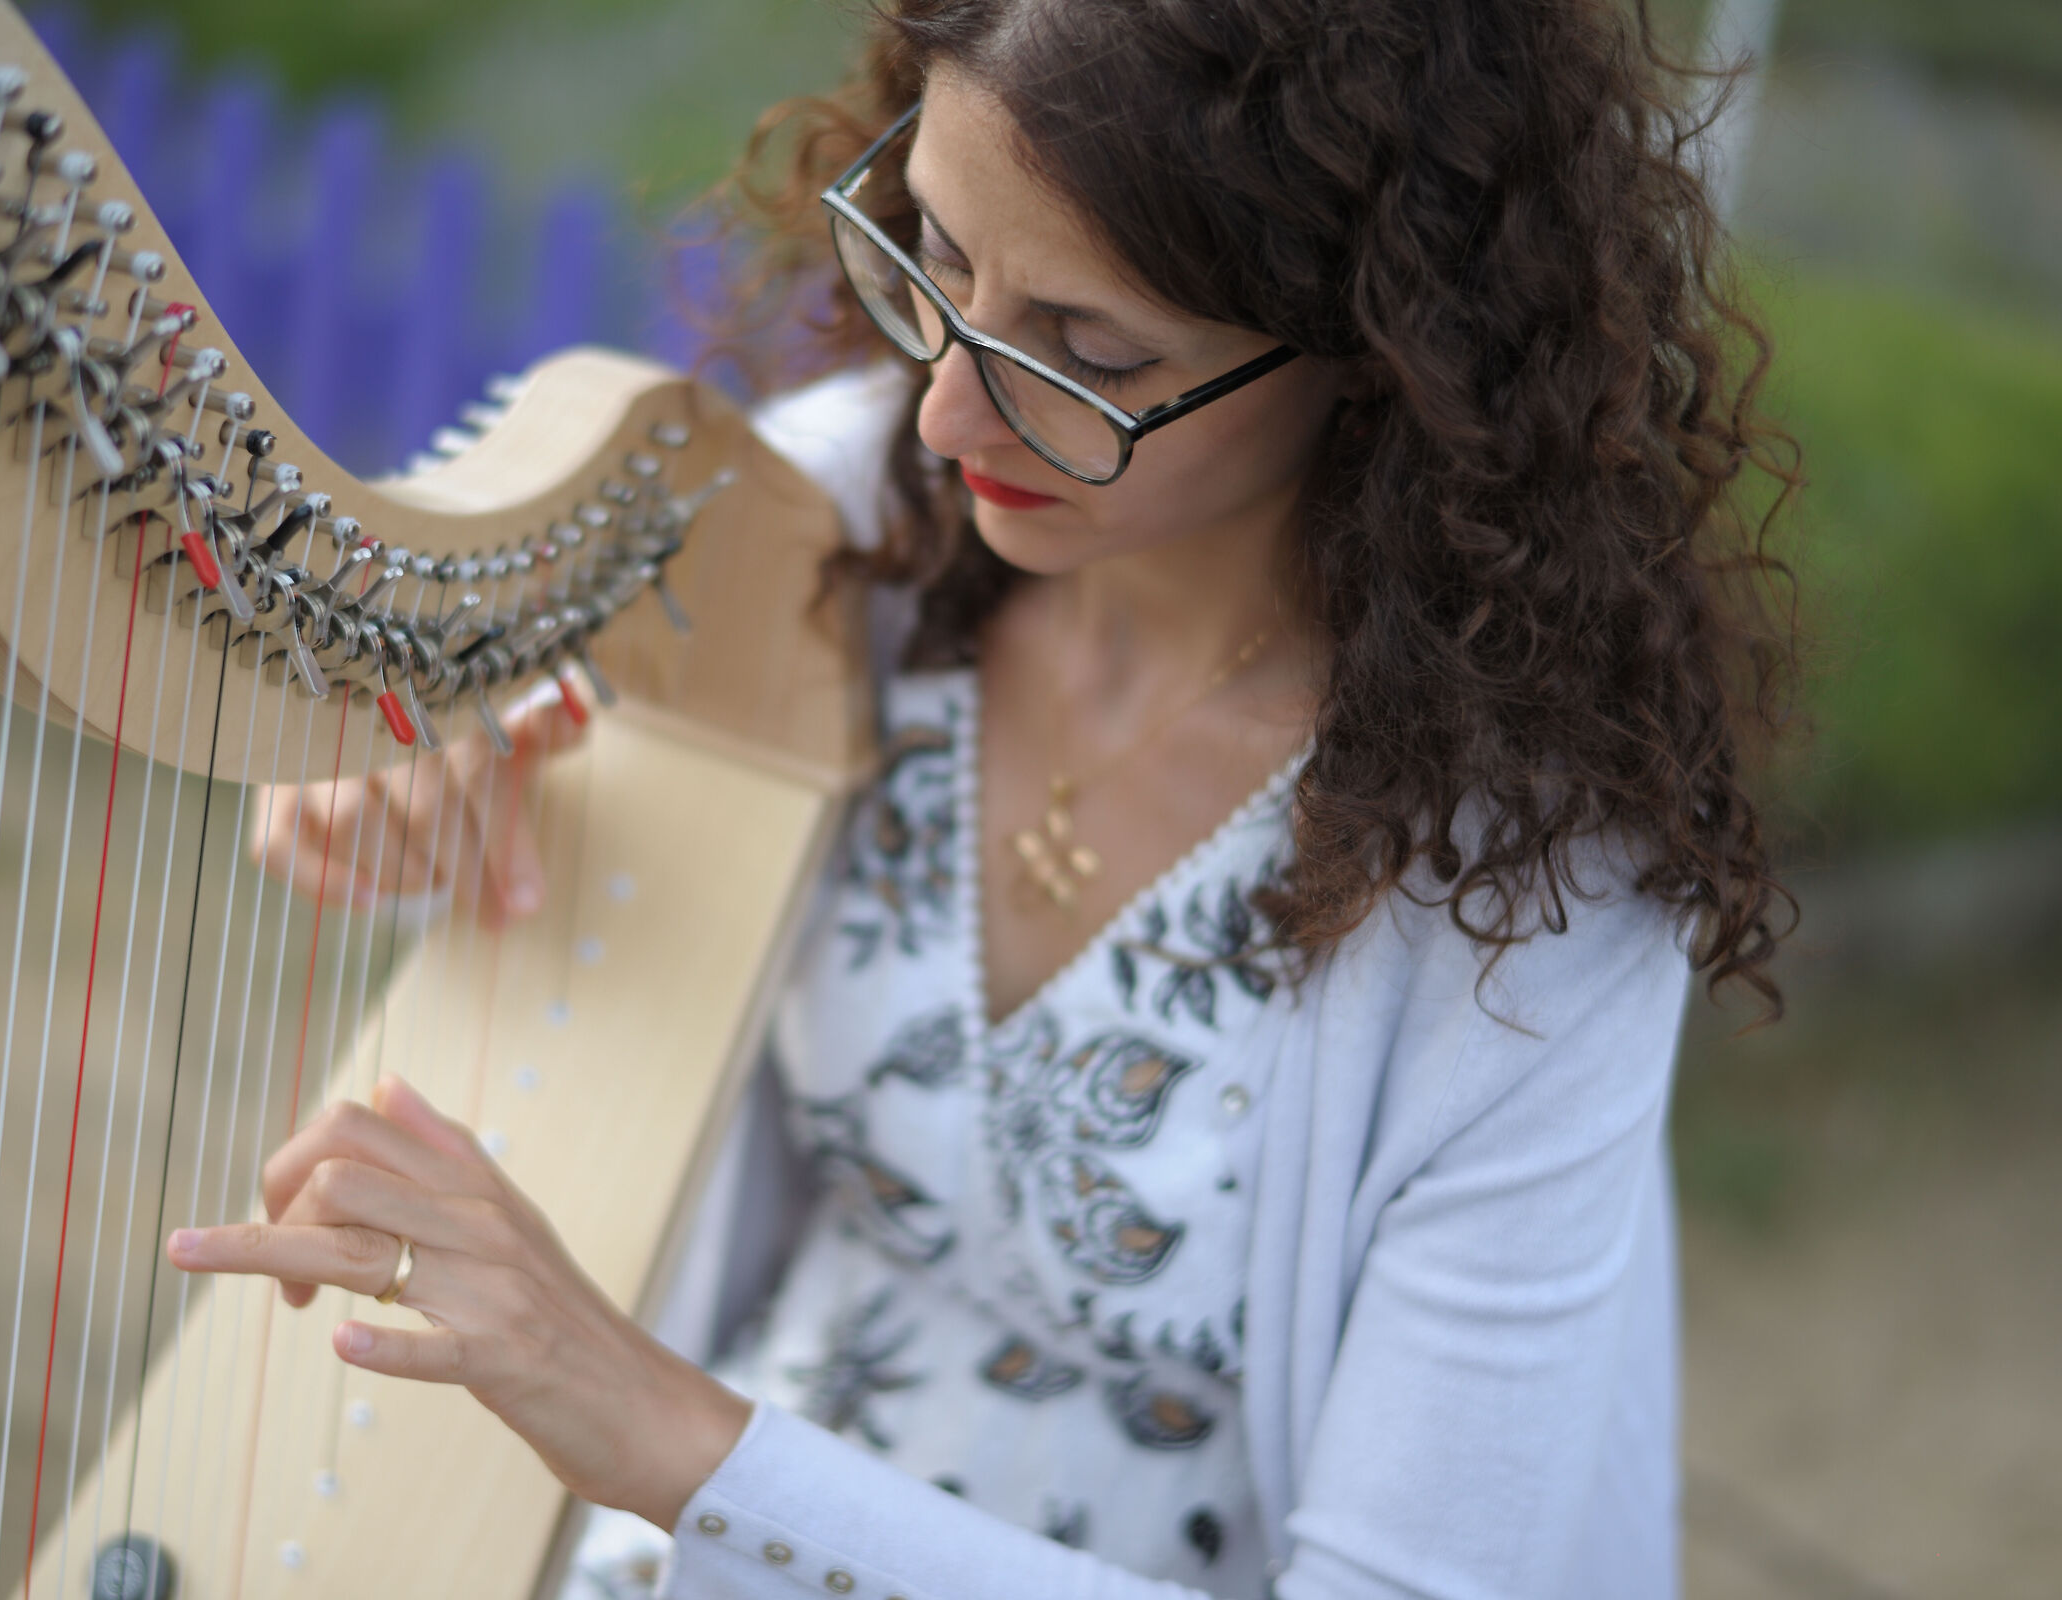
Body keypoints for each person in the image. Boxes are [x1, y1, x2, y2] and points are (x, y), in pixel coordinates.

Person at [174, 1, 1800, 1594]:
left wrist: (677, 1440)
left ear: (1386, 354)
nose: (949, 412)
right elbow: (553, 843)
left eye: (1088, 353)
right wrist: (407, 804)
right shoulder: (840, 514)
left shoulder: (1536, 890)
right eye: (940, 260)